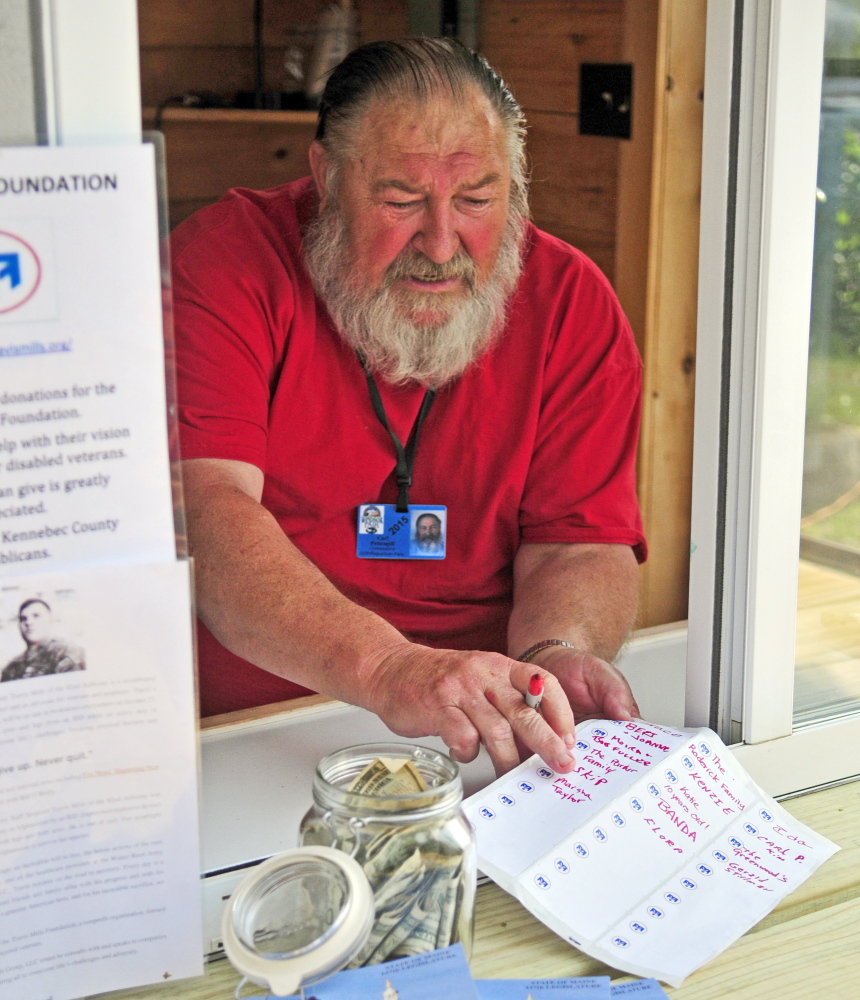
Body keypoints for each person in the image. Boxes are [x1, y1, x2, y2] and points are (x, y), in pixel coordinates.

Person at [172, 38, 647, 776]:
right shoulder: (225, 262)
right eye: (401, 200)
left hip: (481, 730)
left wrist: (551, 657)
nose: (440, 240)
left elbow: (577, 542)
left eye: (477, 200)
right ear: (327, 176)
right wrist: (390, 669)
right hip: (258, 727)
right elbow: (208, 514)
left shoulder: (573, 303)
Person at [1, 598, 85, 681]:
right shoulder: (12, 667)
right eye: (23, 619)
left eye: (36, 616)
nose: (28, 622)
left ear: (50, 620)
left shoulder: (68, 652)